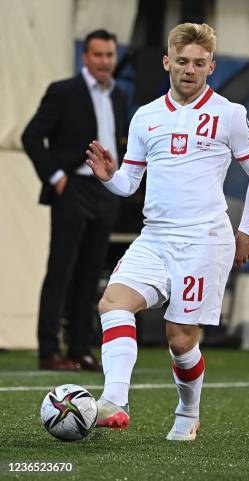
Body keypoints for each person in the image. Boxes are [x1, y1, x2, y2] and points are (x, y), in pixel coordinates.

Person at [85, 22, 249, 441]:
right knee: (113, 303)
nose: (190, 69)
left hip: (205, 240)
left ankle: (188, 412)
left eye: (199, 63)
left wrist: (246, 230)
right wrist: (108, 177)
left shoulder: (229, 114)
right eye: (183, 61)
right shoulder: (146, 117)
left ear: (211, 67)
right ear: (168, 62)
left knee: (180, 339)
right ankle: (115, 400)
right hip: (155, 237)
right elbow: (129, 183)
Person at [22, 29, 128, 371]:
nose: (105, 62)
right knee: (61, 271)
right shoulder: (64, 92)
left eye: (110, 55)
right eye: (98, 55)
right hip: (72, 190)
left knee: (91, 274)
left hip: (104, 192)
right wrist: (57, 177)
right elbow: (31, 136)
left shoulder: (119, 96)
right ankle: (49, 350)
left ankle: (81, 349)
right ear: (85, 56)